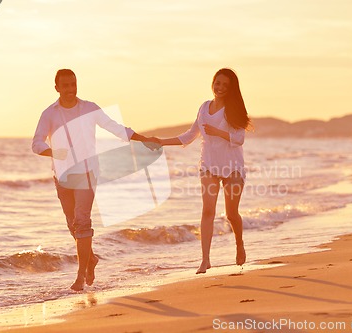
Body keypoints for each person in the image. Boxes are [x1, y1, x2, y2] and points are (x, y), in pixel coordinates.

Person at [32, 69, 156, 290]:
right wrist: (53, 152)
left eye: (73, 84)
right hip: (62, 175)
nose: (70, 89)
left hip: (87, 173)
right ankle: (91, 259)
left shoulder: (90, 108)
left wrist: (143, 139)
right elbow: (37, 143)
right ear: (57, 88)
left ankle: (81, 275)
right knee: (72, 226)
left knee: (82, 222)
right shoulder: (49, 114)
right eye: (66, 85)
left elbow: (116, 128)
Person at [152, 68, 251, 274]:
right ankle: (205, 260)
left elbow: (239, 139)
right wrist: (162, 141)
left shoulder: (234, 110)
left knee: (232, 214)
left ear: (231, 88)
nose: (220, 88)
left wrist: (218, 132)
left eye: (225, 85)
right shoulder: (204, 108)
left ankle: (239, 244)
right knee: (207, 210)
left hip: (233, 168)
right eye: (217, 83)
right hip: (209, 166)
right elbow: (189, 136)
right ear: (212, 83)